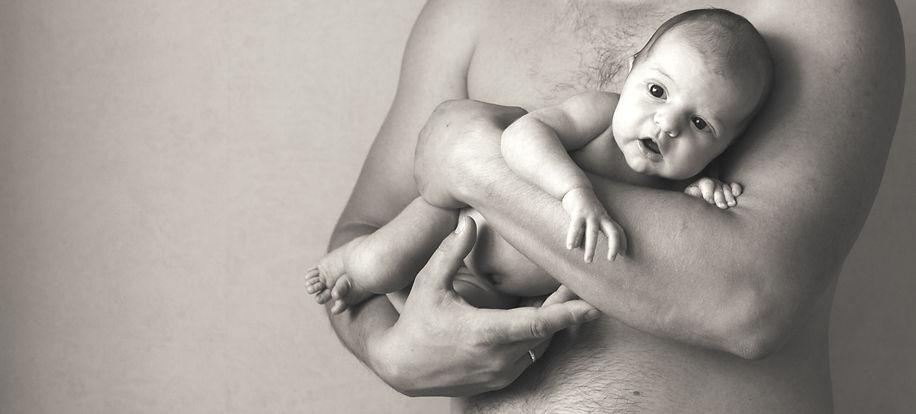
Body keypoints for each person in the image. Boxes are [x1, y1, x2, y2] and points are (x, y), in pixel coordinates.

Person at [324, 0, 904, 412]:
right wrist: (387, 352)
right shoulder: (466, 11)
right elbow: (364, 234)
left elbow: (748, 300)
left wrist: (473, 162)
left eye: (699, 123)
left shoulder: (817, 14)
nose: (669, 123)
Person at [306, 8, 769, 312]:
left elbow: (695, 236)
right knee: (380, 267)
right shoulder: (600, 114)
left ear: (723, 147)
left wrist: (705, 191)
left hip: (500, 290)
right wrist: (573, 190)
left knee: (465, 330)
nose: (666, 124)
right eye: (656, 91)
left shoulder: (677, 180)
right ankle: (346, 267)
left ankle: (397, 301)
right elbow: (523, 136)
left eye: (701, 125)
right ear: (631, 70)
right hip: (459, 223)